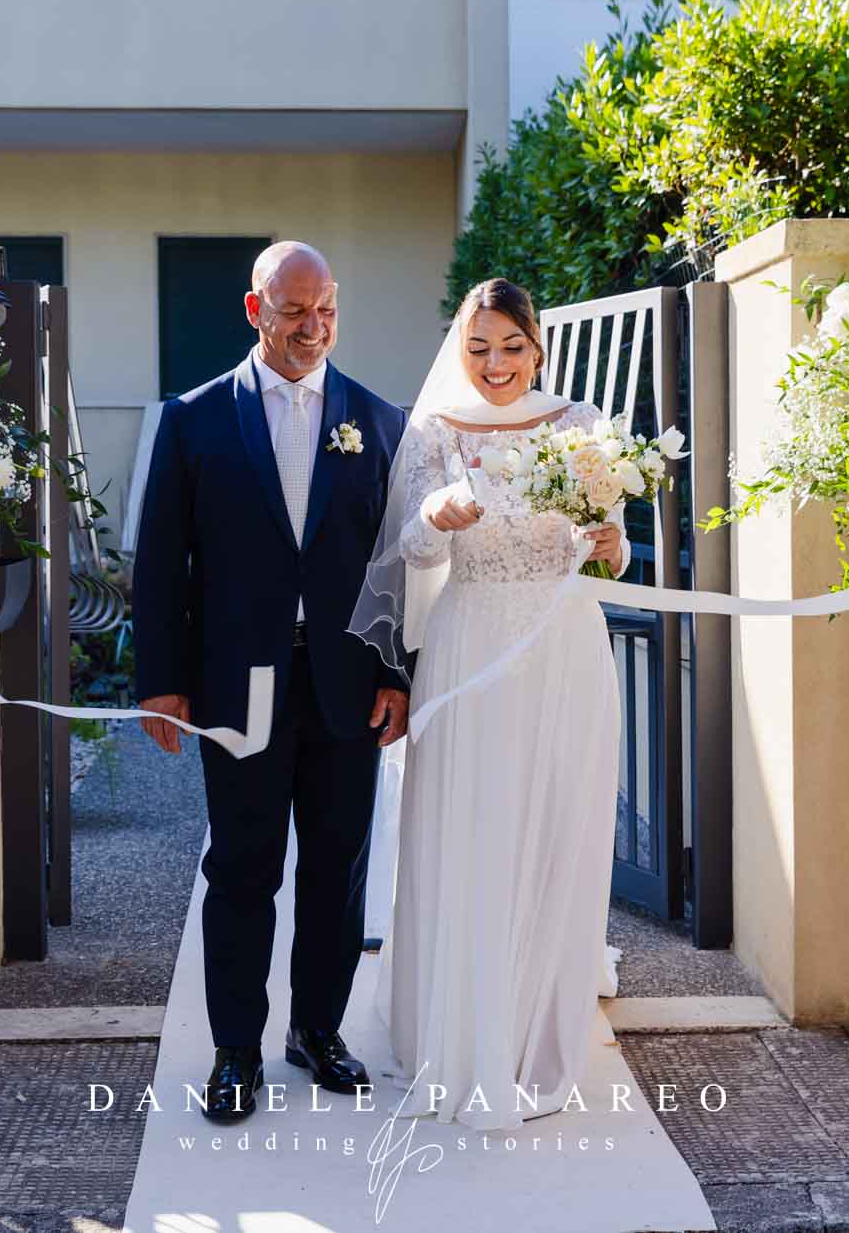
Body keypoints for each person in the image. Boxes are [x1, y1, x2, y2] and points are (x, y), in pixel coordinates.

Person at [132, 241, 409, 1122]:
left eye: (326, 309)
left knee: (337, 864)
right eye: (294, 311)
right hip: (238, 679)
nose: (313, 327)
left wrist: (397, 672)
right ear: (255, 310)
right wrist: (161, 680)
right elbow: (160, 560)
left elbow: (397, 563)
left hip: (345, 682)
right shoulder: (192, 418)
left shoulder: (378, 419)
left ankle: (317, 1030)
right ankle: (235, 1049)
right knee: (242, 867)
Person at [351, 278, 628, 1130]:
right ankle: (465, 1021)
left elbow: (610, 550)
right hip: (470, 640)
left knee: (555, 818)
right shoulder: (436, 428)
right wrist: (439, 512)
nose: (496, 363)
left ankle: (537, 1017)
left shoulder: (580, 423)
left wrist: (610, 543)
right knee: (474, 820)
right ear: (460, 352)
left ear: (536, 347)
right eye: (479, 348)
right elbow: (410, 548)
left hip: (563, 644)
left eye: (511, 346)